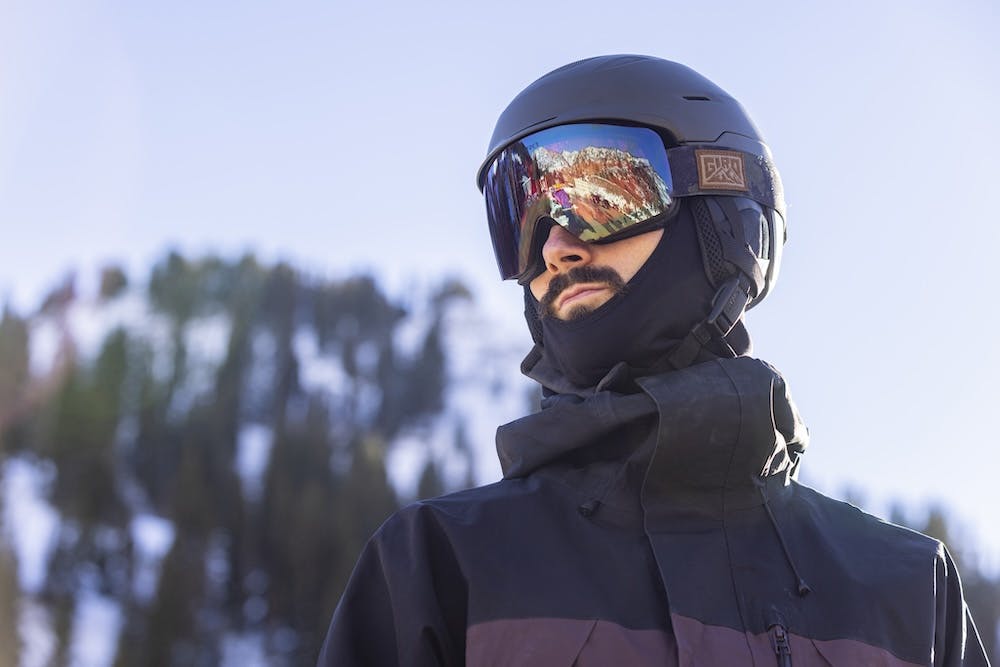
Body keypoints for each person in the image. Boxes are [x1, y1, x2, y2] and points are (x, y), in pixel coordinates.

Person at [318, 55, 989, 666]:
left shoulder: (906, 589)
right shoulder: (440, 564)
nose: (554, 247)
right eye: (520, 218)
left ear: (720, 218)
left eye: (597, 196)